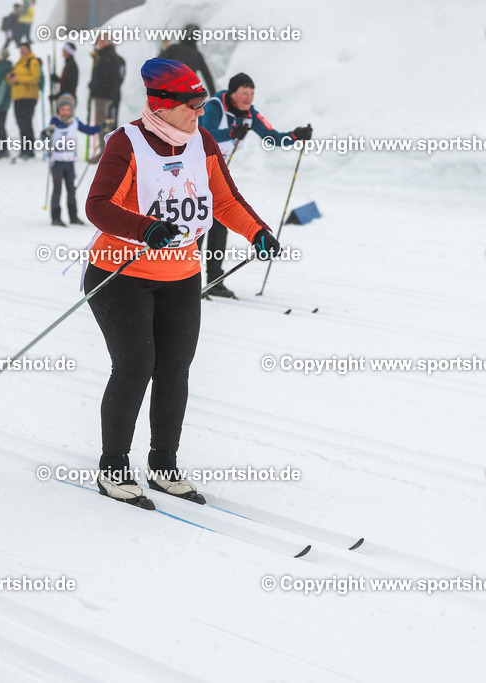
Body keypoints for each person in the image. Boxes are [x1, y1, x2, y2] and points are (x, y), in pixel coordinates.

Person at [83, 58, 282, 508]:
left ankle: (163, 464)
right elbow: (98, 206)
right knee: (136, 365)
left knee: (174, 367)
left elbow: (226, 200)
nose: (200, 112)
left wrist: (258, 231)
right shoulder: (126, 142)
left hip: (181, 276)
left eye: (201, 104)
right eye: (192, 104)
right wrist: (144, 228)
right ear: (163, 104)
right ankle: (113, 466)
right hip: (120, 273)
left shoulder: (202, 140)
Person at [196, 72, 312, 297]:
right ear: (233, 93)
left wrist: (296, 136)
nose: (248, 97)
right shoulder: (214, 107)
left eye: (251, 93)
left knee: (220, 224)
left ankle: (215, 280)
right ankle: (187, 280)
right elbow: (204, 134)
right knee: (199, 224)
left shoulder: (250, 114)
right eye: (244, 93)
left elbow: (272, 136)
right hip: (194, 168)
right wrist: (230, 132)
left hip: (217, 173)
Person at [40, 93, 98, 226]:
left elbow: (88, 130)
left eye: (68, 110)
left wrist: (102, 126)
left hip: (70, 162)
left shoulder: (75, 122)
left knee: (71, 190)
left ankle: (73, 216)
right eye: (63, 110)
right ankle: (56, 217)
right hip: (57, 163)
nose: (65, 113)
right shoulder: (54, 123)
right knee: (58, 190)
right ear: (58, 111)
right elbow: (45, 136)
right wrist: (44, 134)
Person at [88, 35, 124, 161]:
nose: (98, 44)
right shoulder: (109, 57)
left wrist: (95, 86)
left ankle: (105, 153)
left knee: (104, 124)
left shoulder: (108, 58)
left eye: (100, 41)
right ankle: (108, 151)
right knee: (107, 123)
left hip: (104, 97)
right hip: (109, 95)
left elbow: (107, 78)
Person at [158, 24, 215, 94]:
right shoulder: (198, 56)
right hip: (187, 93)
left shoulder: (174, 48)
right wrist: (214, 96)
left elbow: (156, 62)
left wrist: (162, 50)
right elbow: (208, 79)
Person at [7, 42, 40, 159]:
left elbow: (35, 78)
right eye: (21, 49)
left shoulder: (33, 62)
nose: (22, 51)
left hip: (29, 97)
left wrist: (18, 79)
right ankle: (24, 148)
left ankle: (29, 150)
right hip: (18, 97)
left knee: (26, 123)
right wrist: (11, 78)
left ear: (29, 49)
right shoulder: (18, 63)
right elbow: (14, 79)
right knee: (21, 123)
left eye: (24, 49)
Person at [49, 41, 78, 108]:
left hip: (68, 98)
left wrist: (57, 96)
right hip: (66, 97)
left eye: (65, 49)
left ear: (68, 52)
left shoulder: (71, 66)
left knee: (64, 117)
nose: (62, 51)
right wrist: (57, 79)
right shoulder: (69, 64)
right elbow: (66, 81)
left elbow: (69, 85)